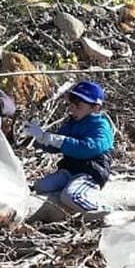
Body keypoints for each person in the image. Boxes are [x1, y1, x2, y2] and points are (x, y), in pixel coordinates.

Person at [23, 81, 115, 212]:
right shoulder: (72, 123)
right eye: (71, 106)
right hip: (69, 169)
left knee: (71, 196)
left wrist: (57, 140)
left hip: (90, 172)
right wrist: (40, 138)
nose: (72, 110)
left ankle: (102, 211)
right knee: (40, 187)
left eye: (78, 107)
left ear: (95, 108)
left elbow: (88, 148)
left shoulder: (101, 126)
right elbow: (56, 146)